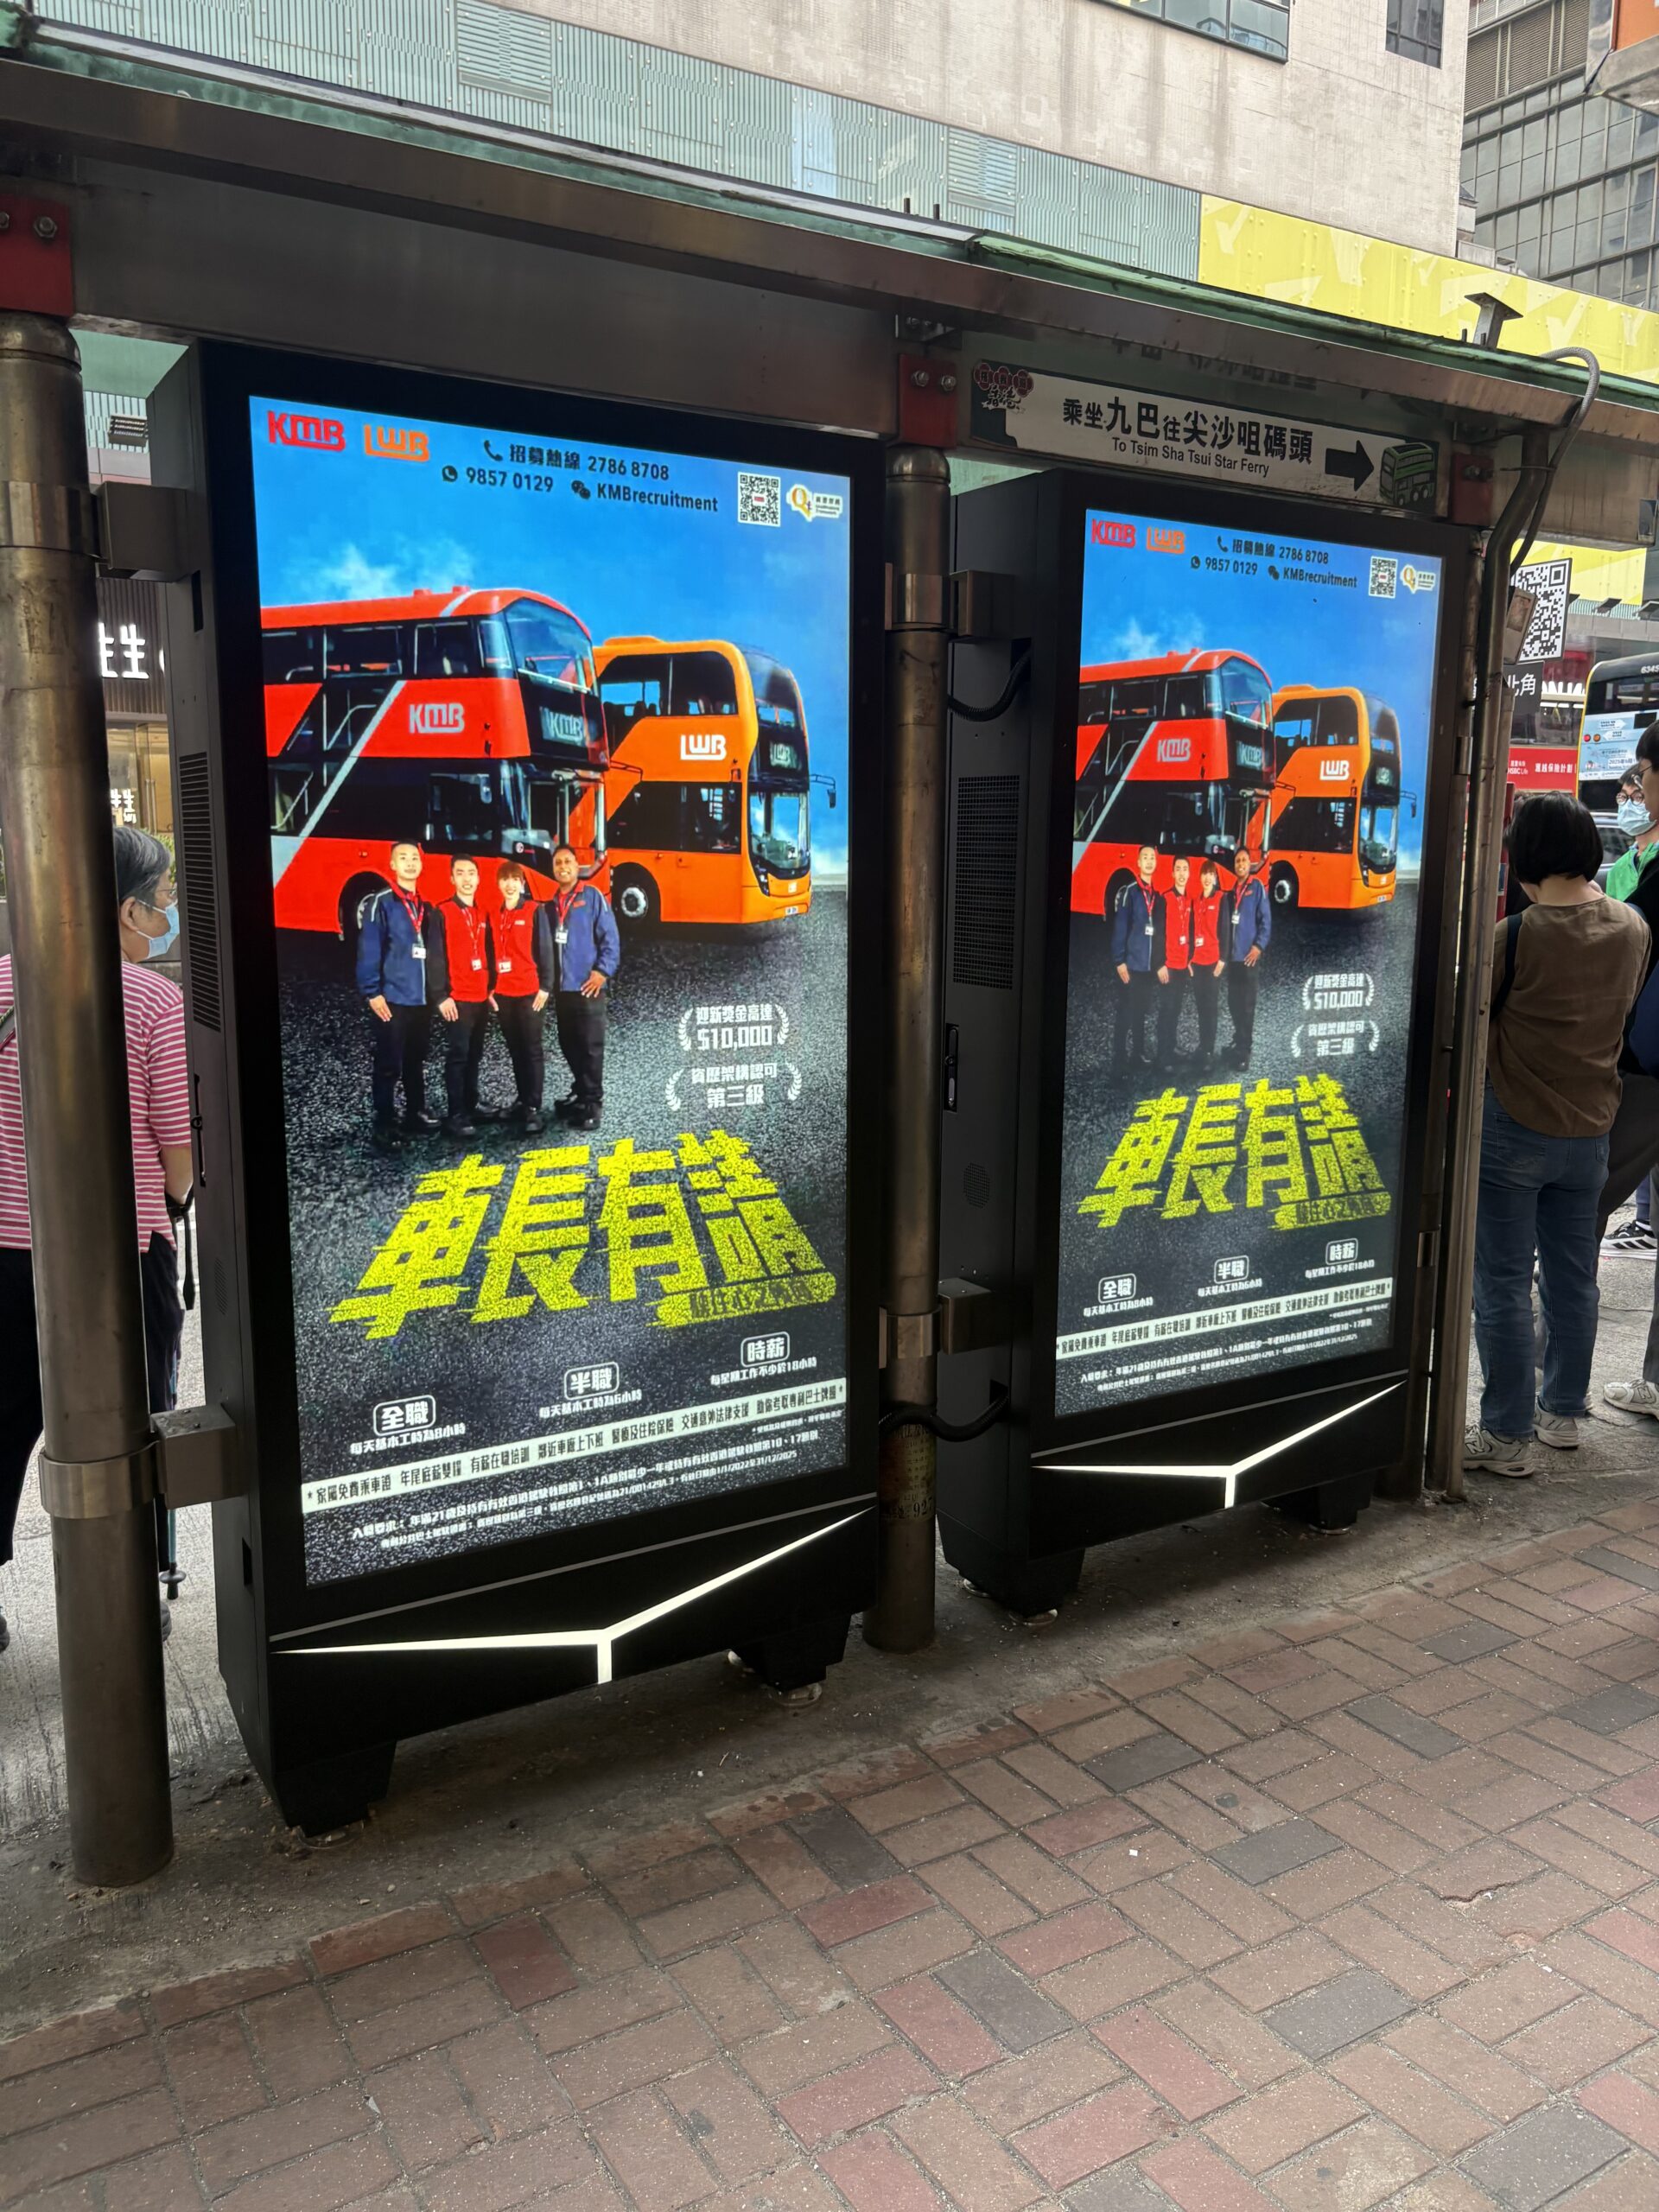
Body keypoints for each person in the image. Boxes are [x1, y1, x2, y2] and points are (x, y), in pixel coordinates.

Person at [0, 827, 192, 1653]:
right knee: (134, 1427)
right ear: (123, 909)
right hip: (123, 1256)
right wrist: (178, 1198)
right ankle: (132, 1589)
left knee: (2, 1418)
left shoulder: (4, 983)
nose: (169, 913)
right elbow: (179, 1148)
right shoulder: (153, 1003)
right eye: (161, 900)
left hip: (7, 1255)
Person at [1465, 791, 1649, 1478]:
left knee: (1504, 1282)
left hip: (1514, 1131)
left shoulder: (1515, 935)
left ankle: (1506, 1434)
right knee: (1574, 1279)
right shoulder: (1632, 928)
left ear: (1524, 858)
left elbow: (1475, 1025)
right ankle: (1561, 1412)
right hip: (1593, 1129)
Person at [357, 840, 440, 1152]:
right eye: (402, 858)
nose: (409, 863)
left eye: (414, 858)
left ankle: (415, 1112)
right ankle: (385, 1124)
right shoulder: (382, 902)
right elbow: (369, 950)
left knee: (416, 1060)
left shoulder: (424, 906)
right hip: (392, 998)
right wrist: (372, 992)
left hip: (420, 1000)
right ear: (391, 865)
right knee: (389, 1063)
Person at [538, 844, 620, 1132]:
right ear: (553, 868)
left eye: (568, 861)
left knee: (590, 1048)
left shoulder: (592, 897)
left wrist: (602, 972)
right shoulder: (549, 907)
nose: (563, 866)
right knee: (569, 1043)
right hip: (563, 990)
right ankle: (581, 1092)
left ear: (577, 865)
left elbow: (610, 937)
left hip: (588, 987)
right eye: (558, 862)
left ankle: (593, 1105)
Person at [429, 855, 502, 1140]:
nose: (467, 879)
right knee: (458, 1056)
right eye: (461, 874)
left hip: (480, 997)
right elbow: (435, 958)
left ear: (479, 879)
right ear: (452, 878)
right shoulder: (442, 912)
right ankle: (455, 1115)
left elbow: (489, 953)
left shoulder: (482, 914)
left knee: (474, 1054)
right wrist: (440, 996)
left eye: (472, 873)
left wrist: (492, 988)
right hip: (456, 999)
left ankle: (472, 1104)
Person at [490, 862, 554, 1134]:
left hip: (530, 992)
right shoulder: (494, 914)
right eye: (505, 879)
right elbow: (490, 952)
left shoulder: (534, 911)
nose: (510, 884)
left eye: (515, 879)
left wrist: (546, 987)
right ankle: (521, 1100)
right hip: (504, 993)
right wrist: (490, 988)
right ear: (498, 884)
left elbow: (546, 949)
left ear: (523, 883)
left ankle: (533, 1108)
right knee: (515, 1050)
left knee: (532, 1050)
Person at [1109, 845, 1164, 1074]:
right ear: (1138, 863)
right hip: (1130, 965)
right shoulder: (1129, 892)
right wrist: (1119, 960)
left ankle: (1137, 1054)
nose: (1149, 861)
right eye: (1145, 858)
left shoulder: (1156, 895)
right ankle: (1119, 1057)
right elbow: (1120, 927)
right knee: (1125, 1011)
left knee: (1141, 1010)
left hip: (1147, 966)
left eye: (1152, 858)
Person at [1223, 848, 1270, 1069]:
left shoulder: (1257, 888)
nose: (1241, 864)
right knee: (1233, 1003)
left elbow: (1265, 921)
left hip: (1249, 958)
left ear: (1250, 864)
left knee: (1246, 1005)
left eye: (1244, 860)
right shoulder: (1233, 892)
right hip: (1233, 959)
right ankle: (1238, 1039)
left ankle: (1245, 1052)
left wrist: (1258, 947)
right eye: (1237, 861)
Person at [1190, 858, 1228, 1072]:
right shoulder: (1196, 901)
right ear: (1200, 877)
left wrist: (1222, 959)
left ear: (1215, 878)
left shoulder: (1222, 899)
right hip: (1197, 963)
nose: (1207, 877)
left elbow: (1225, 931)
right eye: (1204, 873)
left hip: (1213, 962)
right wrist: (1189, 960)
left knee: (1210, 1008)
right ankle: (1202, 1046)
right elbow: (1192, 929)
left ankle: (1208, 1053)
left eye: (1211, 874)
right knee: (1200, 1007)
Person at [1156, 855, 1194, 1071]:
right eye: (1178, 869)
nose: (1181, 873)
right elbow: (1159, 934)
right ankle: (1163, 1057)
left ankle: (1172, 1047)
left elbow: (1190, 932)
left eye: (1184, 869)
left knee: (1177, 1008)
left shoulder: (1189, 901)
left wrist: (1190, 960)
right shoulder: (1165, 899)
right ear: (1172, 873)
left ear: (1189, 874)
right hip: (1168, 966)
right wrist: (1160, 963)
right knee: (1167, 1010)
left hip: (1182, 966)